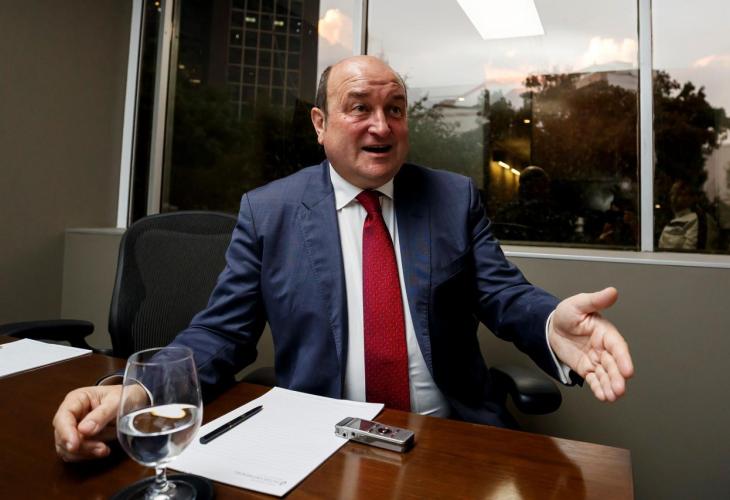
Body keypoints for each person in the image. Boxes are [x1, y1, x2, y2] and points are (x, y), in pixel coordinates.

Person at [53, 56, 634, 462]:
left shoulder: (452, 198)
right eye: (360, 108)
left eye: (396, 109)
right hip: (320, 441)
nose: (382, 126)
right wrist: (139, 391)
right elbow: (221, 332)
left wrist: (551, 325)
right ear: (320, 123)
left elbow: (504, 293)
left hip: (447, 435)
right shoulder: (269, 211)